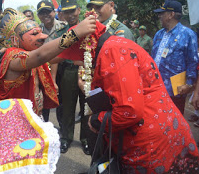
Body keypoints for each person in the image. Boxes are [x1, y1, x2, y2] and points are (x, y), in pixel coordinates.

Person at [85, 32, 199, 173]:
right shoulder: (118, 43)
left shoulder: (112, 50)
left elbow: (129, 111)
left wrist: (97, 120)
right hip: (165, 123)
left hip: (150, 142)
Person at [0, 7, 96, 118]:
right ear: (15, 40)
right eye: (35, 34)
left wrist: (77, 56)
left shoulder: (30, 52)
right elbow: (40, 56)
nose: (43, 37)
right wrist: (74, 34)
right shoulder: (13, 56)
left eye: (41, 32)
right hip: (15, 119)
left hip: (32, 114)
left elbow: (52, 57)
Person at [54, 0, 92, 155]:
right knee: (67, 107)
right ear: (62, 14)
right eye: (66, 12)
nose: (70, 15)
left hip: (87, 71)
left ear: (79, 10)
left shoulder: (88, 28)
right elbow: (55, 56)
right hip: (68, 70)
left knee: (86, 106)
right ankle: (66, 138)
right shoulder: (62, 32)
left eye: (72, 11)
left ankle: (85, 139)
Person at [151, 0, 198, 114]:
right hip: (155, 88)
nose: (159, 16)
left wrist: (189, 84)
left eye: (162, 13)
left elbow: (193, 61)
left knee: (174, 124)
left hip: (175, 91)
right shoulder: (159, 34)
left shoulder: (187, 34)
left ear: (171, 15)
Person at [37, 0, 67, 123]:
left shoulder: (64, 26)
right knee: (44, 100)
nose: (45, 15)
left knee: (62, 100)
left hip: (62, 68)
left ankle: (62, 127)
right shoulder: (36, 30)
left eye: (48, 12)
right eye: (42, 13)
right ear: (38, 15)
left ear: (54, 12)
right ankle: (44, 126)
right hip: (43, 69)